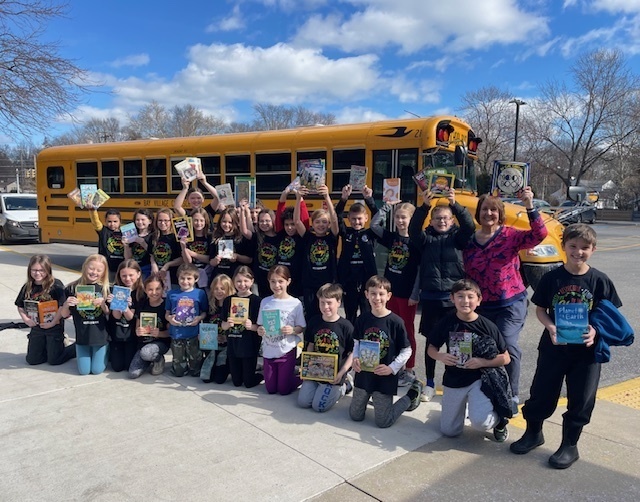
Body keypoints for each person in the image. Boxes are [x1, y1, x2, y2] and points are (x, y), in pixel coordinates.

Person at [510, 224, 624, 469]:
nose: (578, 252)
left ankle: (570, 445)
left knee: (581, 398)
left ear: (593, 249)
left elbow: (609, 315)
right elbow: (540, 309)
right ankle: (533, 433)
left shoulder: (600, 280)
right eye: (573, 246)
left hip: (587, 351)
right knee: (542, 391)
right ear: (564, 247)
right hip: (554, 347)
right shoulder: (552, 277)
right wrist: (550, 327)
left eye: (585, 247)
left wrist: (595, 330)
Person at [463, 187, 547, 412]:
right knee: (479, 349)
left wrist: (530, 205)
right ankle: (483, 389)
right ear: (478, 213)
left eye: (493, 210)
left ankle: (512, 392)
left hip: (510, 303)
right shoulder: (469, 241)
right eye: (484, 209)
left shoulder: (510, 235)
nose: (488, 213)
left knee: (507, 345)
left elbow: (539, 234)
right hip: (481, 306)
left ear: (500, 214)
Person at [408, 188, 475, 400]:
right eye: (437, 218)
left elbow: (469, 225)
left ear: (451, 219)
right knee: (432, 342)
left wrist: (455, 203)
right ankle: (429, 383)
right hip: (431, 299)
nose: (442, 221)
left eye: (445, 218)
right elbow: (413, 229)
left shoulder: (459, 239)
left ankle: (457, 384)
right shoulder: (425, 238)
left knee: (458, 343)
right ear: (432, 219)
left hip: (454, 300)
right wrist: (425, 206)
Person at [427, 279, 512, 442]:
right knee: (449, 430)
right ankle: (462, 409)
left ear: (479, 300)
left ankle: (500, 420)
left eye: (470, 297)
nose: (465, 301)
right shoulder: (447, 322)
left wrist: (483, 362)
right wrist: (441, 356)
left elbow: (506, 358)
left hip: (479, 379)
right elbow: (431, 348)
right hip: (454, 378)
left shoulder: (487, 326)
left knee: (481, 423)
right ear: (452, 298)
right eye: (460, 296)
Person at [349, 275, 423, 428]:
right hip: (364, 375)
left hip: (384, 378)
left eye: (381, 294)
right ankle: (369, 397)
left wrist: (392, 368)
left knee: (383, 422)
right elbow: (357, 342)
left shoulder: (396, 322)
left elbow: (406, 350)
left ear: (388, 296)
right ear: (366, 295)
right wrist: (355, 358)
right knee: (355, 416)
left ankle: (411, 395)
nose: (377, 298)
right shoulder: (362, 319)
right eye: (373, 293)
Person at [370, 199, 421, 388]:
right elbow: (374, 225)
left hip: (407, 295)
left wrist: (415, 294)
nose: (400, 220)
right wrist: (387, 207)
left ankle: (409, 369)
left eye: (404, 217)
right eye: (398, 217)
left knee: (407, 332)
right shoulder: (392, 237)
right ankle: (395, 366)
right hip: (390, 293)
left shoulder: (417, 241)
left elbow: (419, 271)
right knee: (391, 330)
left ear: (412, 219)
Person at [298, 283, 354, 413]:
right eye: (322, 302)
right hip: (316, 370)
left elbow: (352, 352)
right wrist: (306, 367)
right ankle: (319, 388)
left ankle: (346, 385)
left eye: (329, 303)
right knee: (303, 402)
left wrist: (341, 373)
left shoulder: (346, 326)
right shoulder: (314, 321)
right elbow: (311, 345)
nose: (325, 307)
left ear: (338, 302)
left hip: (334, 374)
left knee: (319, 407)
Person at [15, 254, 75, 366]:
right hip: (36, 327)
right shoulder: (28, 286)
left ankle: (75, 347)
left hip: (54, 326)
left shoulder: (56, 285)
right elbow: (20, 305)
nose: (37, 273)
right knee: (32, 360)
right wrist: (26, 320)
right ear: (29, 270)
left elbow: (62, 306)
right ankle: (49, 347)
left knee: (54, 360)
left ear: (48, 270)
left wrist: (52, 323)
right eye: (34, 270)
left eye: (41, 270)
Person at [257, 265, 306, 395]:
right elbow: (260, 325)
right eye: (273, 281)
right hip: (269, 350)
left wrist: (293, 330)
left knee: (283, 390)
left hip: (286, 351)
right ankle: (283, 376)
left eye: (280, 281)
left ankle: (301, 378)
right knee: (271, 389)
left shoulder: (295, 303)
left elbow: (301, 327)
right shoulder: (265, 302)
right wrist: (260, 330)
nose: (276, 285)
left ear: (288, 282)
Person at [294, 185, 339, 320]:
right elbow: (297, 221)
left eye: (324, 222)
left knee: (327, 316)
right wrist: (298, 198)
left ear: (329, 224)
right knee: (311, 317)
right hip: (310, 285)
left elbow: (335, 219)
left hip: (327, 284)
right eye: (317, 222)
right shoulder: (308, 238)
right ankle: (310, 341)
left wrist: (326, 196)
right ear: (312, 224)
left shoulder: (331, 238)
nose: (321, 225)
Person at [335, 183, 378, 324]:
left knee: (367, 315)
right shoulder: (346, 232)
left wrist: (369, 199)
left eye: (360, 218)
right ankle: (351, 343)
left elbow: (379, 217)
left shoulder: (370, 233)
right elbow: (337, 217)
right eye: (353, 219)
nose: (356, 222)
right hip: (349, 282)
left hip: (367, 282)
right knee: (350, 315)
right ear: (349, 219)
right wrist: (344, 199)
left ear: (366, 218)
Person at [61, 254, 111, 375]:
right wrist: (67, 304)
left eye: (99, 270)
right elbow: (64, 314)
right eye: (91, 268)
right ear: (84, 267)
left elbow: (110, 314)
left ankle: (108, 349)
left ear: (104, 272)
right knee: (84, 371)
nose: (94, 272)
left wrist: (103, 304)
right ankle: (74, 348)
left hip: (100, 337)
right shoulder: (72, 288)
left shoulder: (106, 289)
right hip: (82, 336)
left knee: (96, 370)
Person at [221, 266, 263, 388]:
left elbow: (260, 328)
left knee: (248, 383)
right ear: (233, 281)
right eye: (239, 281)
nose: (242, 284)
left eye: (246, 281)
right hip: (233, 346)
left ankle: (262, 374)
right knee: (237, 382)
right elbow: (223, 326)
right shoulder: (228, 300)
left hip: (249, 346)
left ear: (252, 281)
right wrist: (227, 324)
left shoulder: (257, 301)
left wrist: (252, 326)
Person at [165, 263, 209, 377]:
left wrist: (199, 318)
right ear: (178, 278)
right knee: (179, 372)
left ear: (196, 279)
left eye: (189, 278)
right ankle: (179, 364)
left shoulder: (200, 293)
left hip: (193, 333)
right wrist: (170, 319)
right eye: (182, 278)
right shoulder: (171, 294)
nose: (185, 281)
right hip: (177, 333)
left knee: (195, 370)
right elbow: (167, 313)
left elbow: (205, 312)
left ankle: (195, 363)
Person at [129, 274, 171, 378]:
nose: (154, 292)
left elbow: (170, 333)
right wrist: (138, 331)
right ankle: (148, 359)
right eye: (150, 289)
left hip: (160, 343)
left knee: (146, 353)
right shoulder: (142, 304)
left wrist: (159, 333)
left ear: (163, 289)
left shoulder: (166, 305)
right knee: (133, 374)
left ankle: (158, 359)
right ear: (145, 290)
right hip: (143, 343)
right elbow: (137, 328)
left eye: (158, 289)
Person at [107, 259, 144, 372]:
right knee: (117, 367)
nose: (127, 279)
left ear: (138, 274)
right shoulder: (114, 290)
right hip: (117, 334)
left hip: (131, 336)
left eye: (131, 275)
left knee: (128, 366)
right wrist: (115, 304)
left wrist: (127, 307)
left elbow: (130, 317)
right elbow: (117, 317)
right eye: (124, 276)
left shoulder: (142, 293)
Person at [200, 273, 234, 384]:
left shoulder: (233, 307)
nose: (219, 291)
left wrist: (225, 338)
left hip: (227, 347)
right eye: (216, 289)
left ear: (229, 289)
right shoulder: (211, 306)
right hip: (212, 346)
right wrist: (203, 335)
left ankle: (230, 366)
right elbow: (206, 326)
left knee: (219, 380)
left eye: (222, 289)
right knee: (206, 379)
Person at [208, 207, 253, 286]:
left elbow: (249, 259)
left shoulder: (242, 238)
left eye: (230, 222)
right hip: (218, 276)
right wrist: (215, 261)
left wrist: (237, 256)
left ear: (236, 222)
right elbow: (211, 260)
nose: (226, 225)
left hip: (235, 278)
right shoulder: (215, 237)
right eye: (224, 221)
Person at [150, 208, 183, 292]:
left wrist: (167, 265)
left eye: (166, 220)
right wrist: (153, 264)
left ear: (171, 221)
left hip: (172, 276)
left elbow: (181, 259)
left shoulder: (176, 237)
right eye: (160, 220)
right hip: (157, 275)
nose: (162, 223)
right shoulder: (154, 236)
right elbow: (151, 254)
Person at [88, 207, 124, 282]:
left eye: (115, 221)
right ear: (105, 221)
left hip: (120, 267)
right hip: (106, 267)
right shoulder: (103, 231)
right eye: (109, 221)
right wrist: (92, 210)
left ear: (120, 222)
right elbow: (96, 222)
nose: (112, 224)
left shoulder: (125, 232)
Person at [180, 207, 212, 289]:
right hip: (191, 274)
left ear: (206, 221)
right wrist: (183, 248)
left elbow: (210, 259)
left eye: (201, 220)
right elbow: (188, 261)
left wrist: (193, 254)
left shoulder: (210, 237)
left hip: (207, 272)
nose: (198, 223)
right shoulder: (186, 236)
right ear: (190, 221)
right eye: (195, 220)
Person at [124, 208, 154, 279]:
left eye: (143, 220)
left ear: (150, 221)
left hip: (147, 269)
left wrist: (143, 243)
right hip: (134, 268)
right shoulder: (131, 235)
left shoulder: (153, 235)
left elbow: (154, 254)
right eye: (137, 220)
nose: (140, 222)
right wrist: (125, 245)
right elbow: (127, 258)